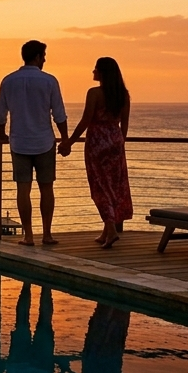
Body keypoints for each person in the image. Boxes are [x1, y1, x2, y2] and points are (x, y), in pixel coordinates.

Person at [0, 40, 69, 246]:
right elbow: (59, 115)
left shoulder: (8, 81)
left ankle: (28, 235)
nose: (44, 59)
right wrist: (65, 139)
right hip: (44, 141)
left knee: (23, 190)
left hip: (19, 142)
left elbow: (0, 115)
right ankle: (47, 234)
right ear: (37, 57)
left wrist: (2, 134)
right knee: (47, 189)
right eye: (43, 55)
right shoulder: (49, 81)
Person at [60, 57, 131, 248]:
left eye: (96, 69)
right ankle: (107, 231)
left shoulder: (94, 93)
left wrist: (69, 142)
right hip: (115, 141)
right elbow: (124, 125)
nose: (93, 71)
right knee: (113, 186)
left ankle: (111, 229)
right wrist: (118, 143)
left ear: (102, 73)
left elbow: (85, 121)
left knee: (99, 186)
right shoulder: (123, 94)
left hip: (97, 143)